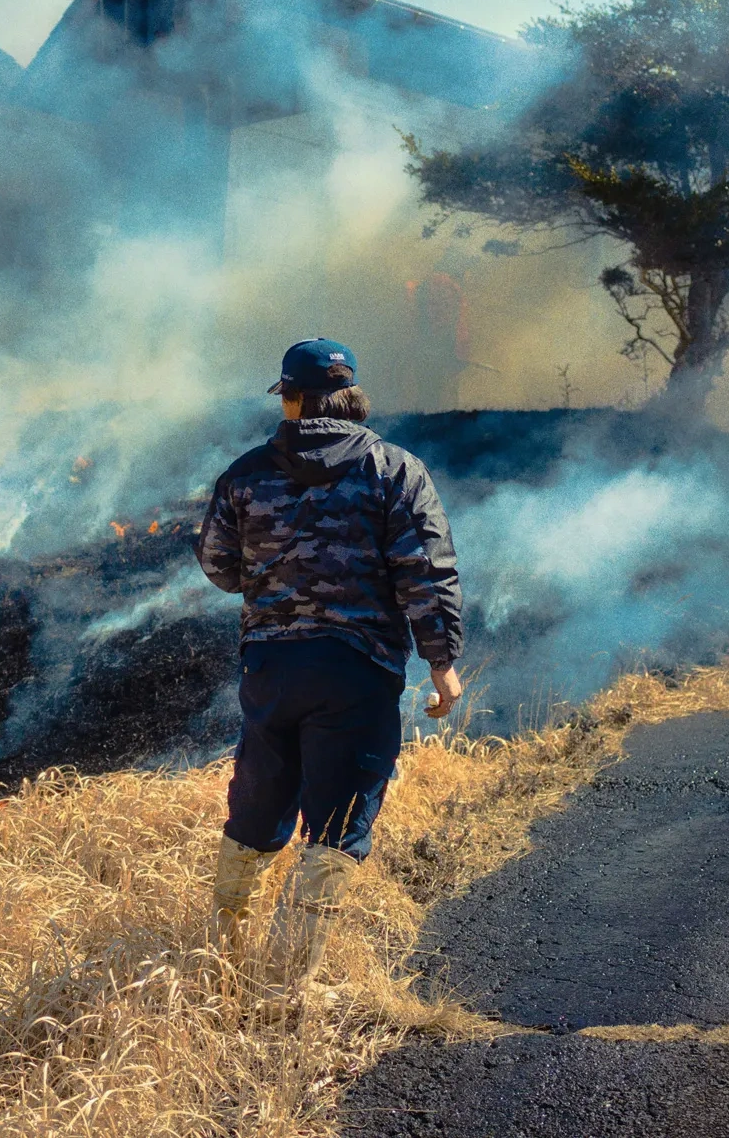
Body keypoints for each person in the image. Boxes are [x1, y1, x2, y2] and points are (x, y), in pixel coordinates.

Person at [195, 337, 465, 990]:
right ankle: (283, 984)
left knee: (256, 808)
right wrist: (442, 661)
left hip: (271, 671)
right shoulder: (395, 470)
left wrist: (277, 577)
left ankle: (216, 957)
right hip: (357, 671)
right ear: (352, 398)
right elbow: (424, 573)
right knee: (337, 825)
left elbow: (219, 567)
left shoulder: (246, 473)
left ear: (291, 398)